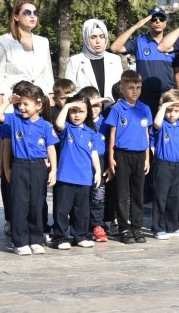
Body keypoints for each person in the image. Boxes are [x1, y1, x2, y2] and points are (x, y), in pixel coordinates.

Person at [0, 83, 57, 256]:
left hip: (39, 167)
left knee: (37, 204)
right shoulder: (14, 120)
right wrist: (8, 101)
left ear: (38, 105)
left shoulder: (45, 125)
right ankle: (20, 241)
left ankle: (36, 239)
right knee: (19, 205)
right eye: (19, 104)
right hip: (19, 165)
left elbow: (51, 148)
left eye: (25, 104)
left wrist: (53, 170)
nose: (21, 107)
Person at [105, 70, 153, 243]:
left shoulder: (145, 109)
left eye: (138, 87)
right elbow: (112, 134)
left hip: (140, 155)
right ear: (122, 88)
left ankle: (137, 227)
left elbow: (147, 134)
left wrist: (147, 157)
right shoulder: (117, 109)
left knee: (137, 193)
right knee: (122, 193)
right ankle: (124, 228)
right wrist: (111, 157)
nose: (135, 91)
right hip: (122, 154)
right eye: (131, 87)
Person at [51, 95, 103, 250]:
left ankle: (80, 235)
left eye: (81, 111)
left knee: (82, 210)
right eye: (73, 111)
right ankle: (60, 237)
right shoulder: (67, 128)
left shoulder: (91, 131)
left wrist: (98, 171)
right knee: (62, 209)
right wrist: (67, 106)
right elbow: (58, 124)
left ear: (87, 113)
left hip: (85, 177)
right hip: (66, 176)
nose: (77, 115)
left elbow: (93, 153)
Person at [110, 6, 177, 115]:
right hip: (144, 97)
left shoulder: (171, 44)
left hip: (166, 96)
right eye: (154, 19)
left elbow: (178, 72)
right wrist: (135, 27)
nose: (158, 21)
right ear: (148, 23)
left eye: (161, 19)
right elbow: (114, 48)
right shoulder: (138, 41)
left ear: (165, 23)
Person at [0, 0, 55, 108]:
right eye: (27, 13)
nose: (32, 16)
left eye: (35, 13)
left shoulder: (43, 42)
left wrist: (51, 103)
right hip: (14, 102)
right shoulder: (2, 41)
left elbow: (48, 75)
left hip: (39, 102)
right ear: (16, 17)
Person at [151, 89, 179, 239]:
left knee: (175, 196)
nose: (172, 114)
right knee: (161, 196)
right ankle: (158, 227)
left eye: (176, 110)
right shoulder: (162, 124)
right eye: (169, 110)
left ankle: (173, 226)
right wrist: (164, 106)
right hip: (163, 165)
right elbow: (156, 124)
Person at [75, 86, 111, 242]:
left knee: (98, 195)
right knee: (80, 196)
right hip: (81, 163)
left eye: (97, 105)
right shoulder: (79, 122)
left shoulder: (106, 121)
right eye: (91, 105)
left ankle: (97, 224)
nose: (94, 109)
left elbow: (111, 145)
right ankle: (78, 225)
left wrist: (110, 165)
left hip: (101, 163)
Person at [64, 19, 124, 102]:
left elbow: (121, 89)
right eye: (93, 37)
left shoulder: (115, 60)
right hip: (86, 111)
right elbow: (69, 93)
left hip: (111, 110)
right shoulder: (74, 61)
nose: (98, 41)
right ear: (86, 38)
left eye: (101, 36)